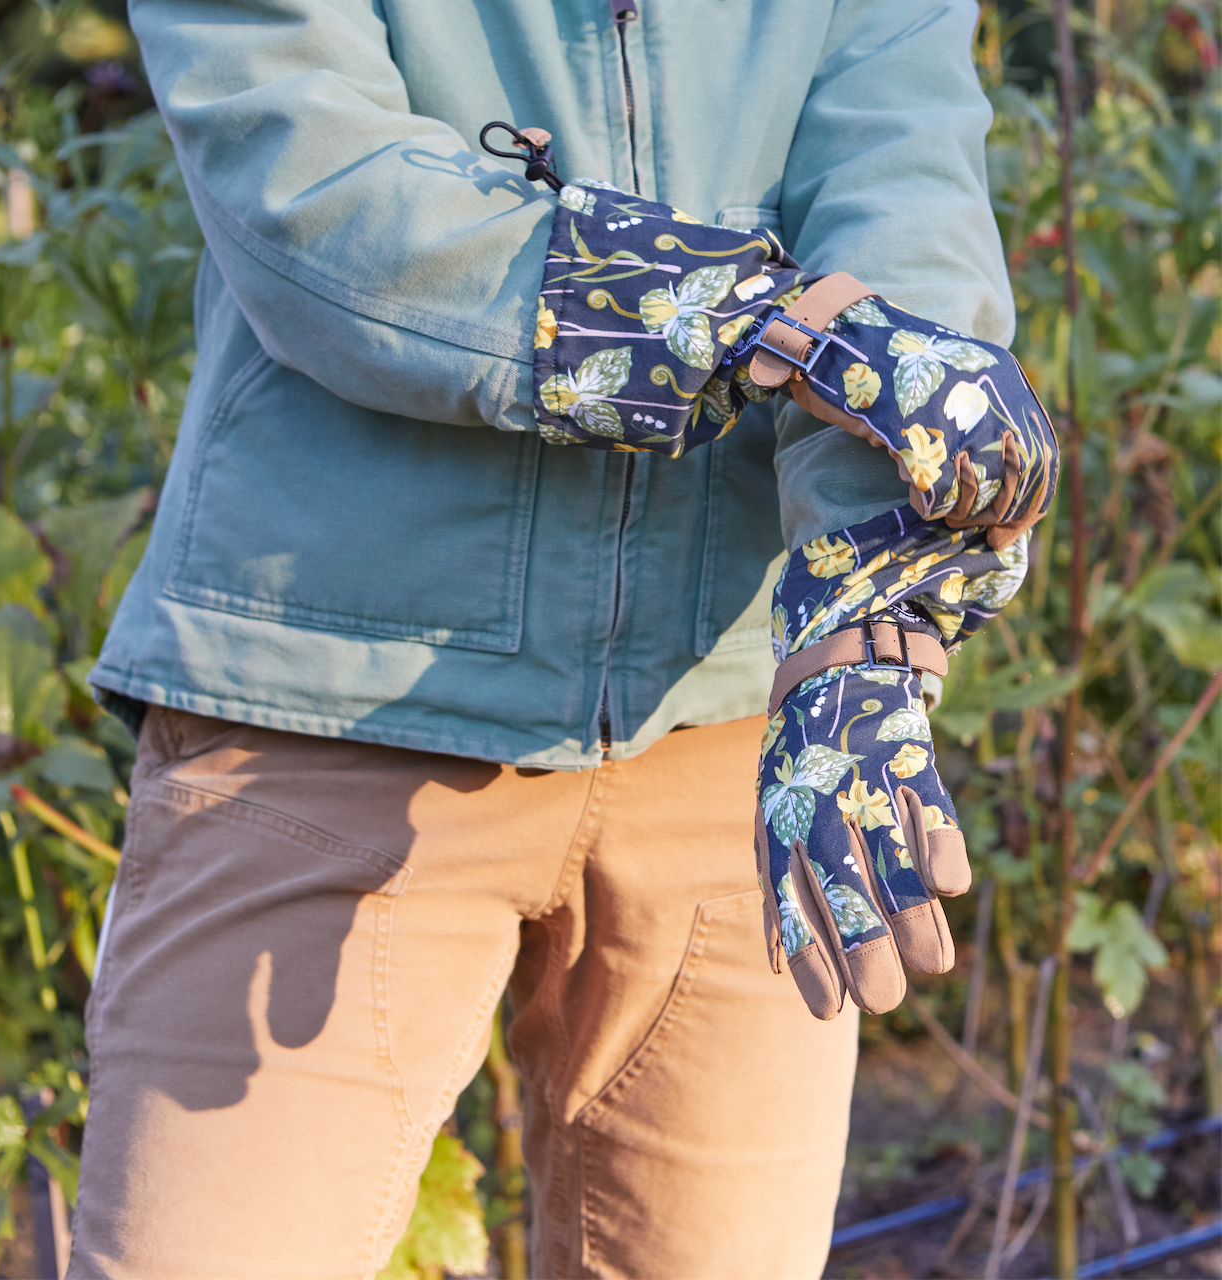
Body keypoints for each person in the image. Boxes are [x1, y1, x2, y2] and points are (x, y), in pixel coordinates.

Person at [69, 3, 1045, 1277]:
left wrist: (863, 603)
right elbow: (307, 179)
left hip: (730, 730)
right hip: (333, 698)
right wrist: (732, 318)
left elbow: (898, 199)